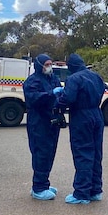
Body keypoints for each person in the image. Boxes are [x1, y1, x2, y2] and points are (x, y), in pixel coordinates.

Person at [57, 53, 105, 204]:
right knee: (96, 153)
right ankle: (95, 190)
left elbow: (69, 98)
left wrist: (57, 103)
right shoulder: (96, 76)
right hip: (97, 114)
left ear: (71, 66)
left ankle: (82, 193)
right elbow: (102, 91)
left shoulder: (74, 79)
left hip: (81, 116)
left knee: (83, 152)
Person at [22, 54, 63, 200]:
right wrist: (50, 94)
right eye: (46, 64)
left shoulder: (53, 78)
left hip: (51, 120)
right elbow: (33, 98)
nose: (49, 66)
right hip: (38, 121)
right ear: (39, 65)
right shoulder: (32, 81)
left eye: (50, 64)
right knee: (41, 153)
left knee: (50, 153)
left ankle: (44, 182)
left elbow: (59, 94)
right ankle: (38, 187)